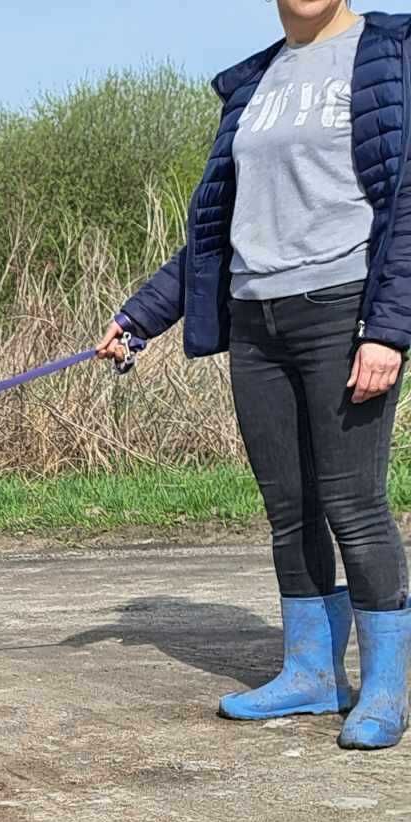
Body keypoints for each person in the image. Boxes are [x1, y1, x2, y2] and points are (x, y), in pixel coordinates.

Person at [98, 0, 411, 751]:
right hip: (256, 319)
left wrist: (391, 328)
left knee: (353, 503)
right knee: (289, 506)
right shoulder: (256, 81)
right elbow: (216, 230)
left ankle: (387, 688)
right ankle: (308, 672)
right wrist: (141, 316)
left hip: (343, 311)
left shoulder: (389, 53)